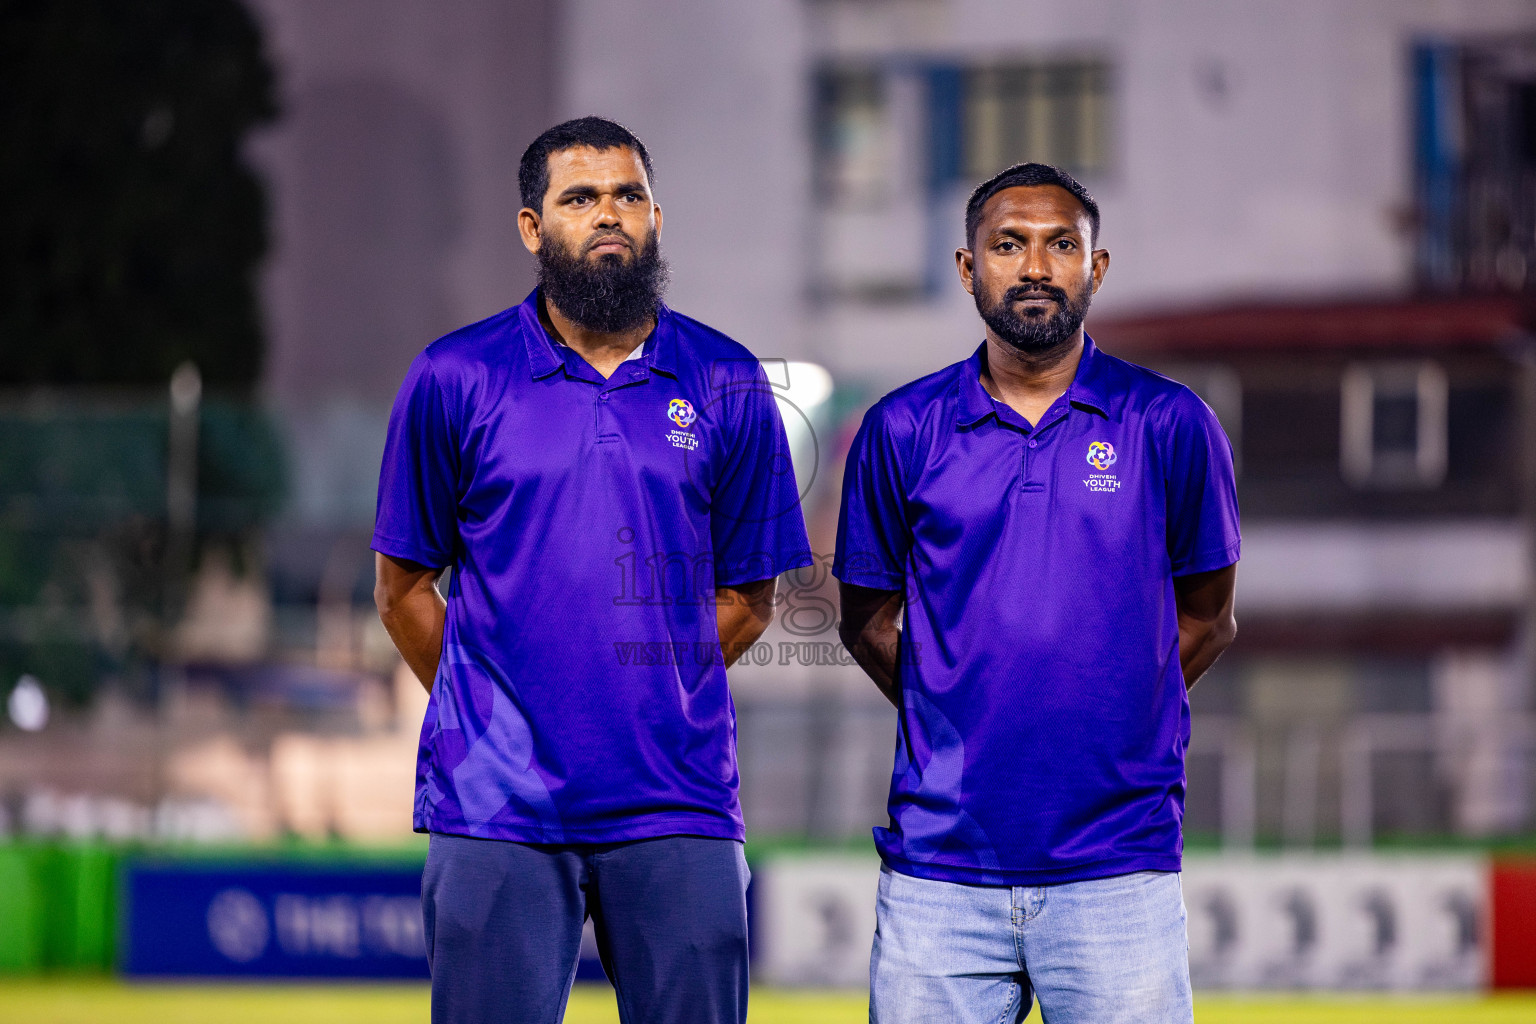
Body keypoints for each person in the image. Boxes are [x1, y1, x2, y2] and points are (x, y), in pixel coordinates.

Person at [372, 116, 812, 1024]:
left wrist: (647, 686)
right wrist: (490, 707)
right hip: (497, 809)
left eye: (627, 196)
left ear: (656, 216)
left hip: (676, 801)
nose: (608, 214)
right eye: (580, 198)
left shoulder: (729, 378)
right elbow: (404, 590)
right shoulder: (454, 376)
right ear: (533, 227)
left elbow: (750, 598)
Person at [834, 162, 1240, 1024]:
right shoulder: (900, 429)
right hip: (939, 869)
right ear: (967, 267)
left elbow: (1207, 617)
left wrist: (1120, 709)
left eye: (1061, 245)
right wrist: (960, 712)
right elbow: (867, 622)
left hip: (1118, 866)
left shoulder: (1170, 423)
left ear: (1095, 269)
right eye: (1008, 244)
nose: (1034, 267)